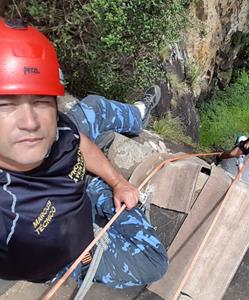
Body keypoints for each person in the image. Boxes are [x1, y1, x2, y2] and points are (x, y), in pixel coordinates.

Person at [0, 18, 168, 288]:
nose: (30, 122)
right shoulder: (8, 213)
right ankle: (91, 186)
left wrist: (118, 182)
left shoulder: (56, 128)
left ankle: (137, 114)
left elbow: (75, 140)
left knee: (92, 107)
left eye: (41, 100)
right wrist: (85, 257)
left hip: (75, 187)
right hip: (71, 249)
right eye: (6, 105)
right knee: (153, 260)